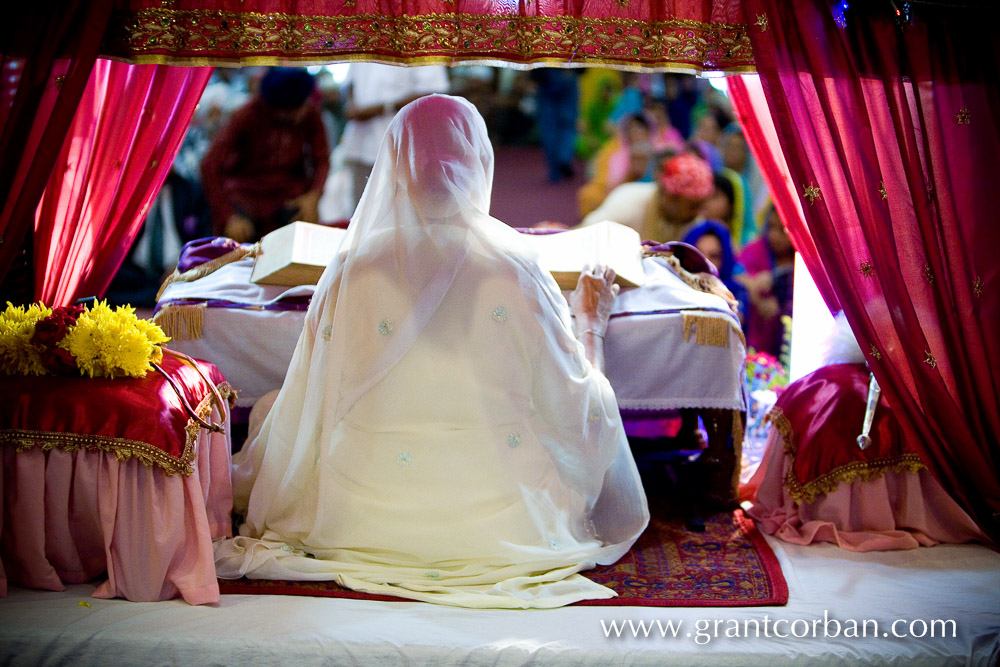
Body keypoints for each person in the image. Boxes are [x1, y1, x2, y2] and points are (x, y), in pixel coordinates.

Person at [215, 94, 649, 609]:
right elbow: (576, 411)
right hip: (504, 519)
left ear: (397, 167)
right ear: (479, 161)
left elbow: (311, 402)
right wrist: (590, 325)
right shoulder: (516, 265)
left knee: (272, 408)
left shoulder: (356, 266)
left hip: (356, 515)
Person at [200, 68, 330, 242]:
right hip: (246, 201)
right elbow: (209, 165)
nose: (303, 111)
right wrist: (228, 217)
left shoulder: (309, 112)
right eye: (296, 109)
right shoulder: (246, 115)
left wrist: (313, 197)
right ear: (278, 109)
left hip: (288, 200)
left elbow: (321, 159)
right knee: (238, 254)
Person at [339, 63, 450, 211]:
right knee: (361, 209)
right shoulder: (363, 40)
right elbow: (350, 82)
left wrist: (384, 108)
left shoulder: (422, 43)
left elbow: (432, 93)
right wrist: (351, 106)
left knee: (400, 212)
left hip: (402, 144)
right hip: (360, 141)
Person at [581, 151, 714, 243]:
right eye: (694, 206)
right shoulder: (629, 200)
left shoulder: (695, 222)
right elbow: (586, 233)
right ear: (670, 197)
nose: (699, 212)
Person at [738, 203, 795, 356]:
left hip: (783, 344)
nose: (774, 235)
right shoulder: (756, 250)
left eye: (782, 230)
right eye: (771, 227)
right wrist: (755, 293)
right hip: (748, 336)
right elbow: (736, 275)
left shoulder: (801, 264)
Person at [681, 220, 749, 325]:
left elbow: (734, 323)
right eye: (697, 253)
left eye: (714, 256)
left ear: (725, 260)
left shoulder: (735, 293)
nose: (705, 261)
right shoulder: (672, 286)